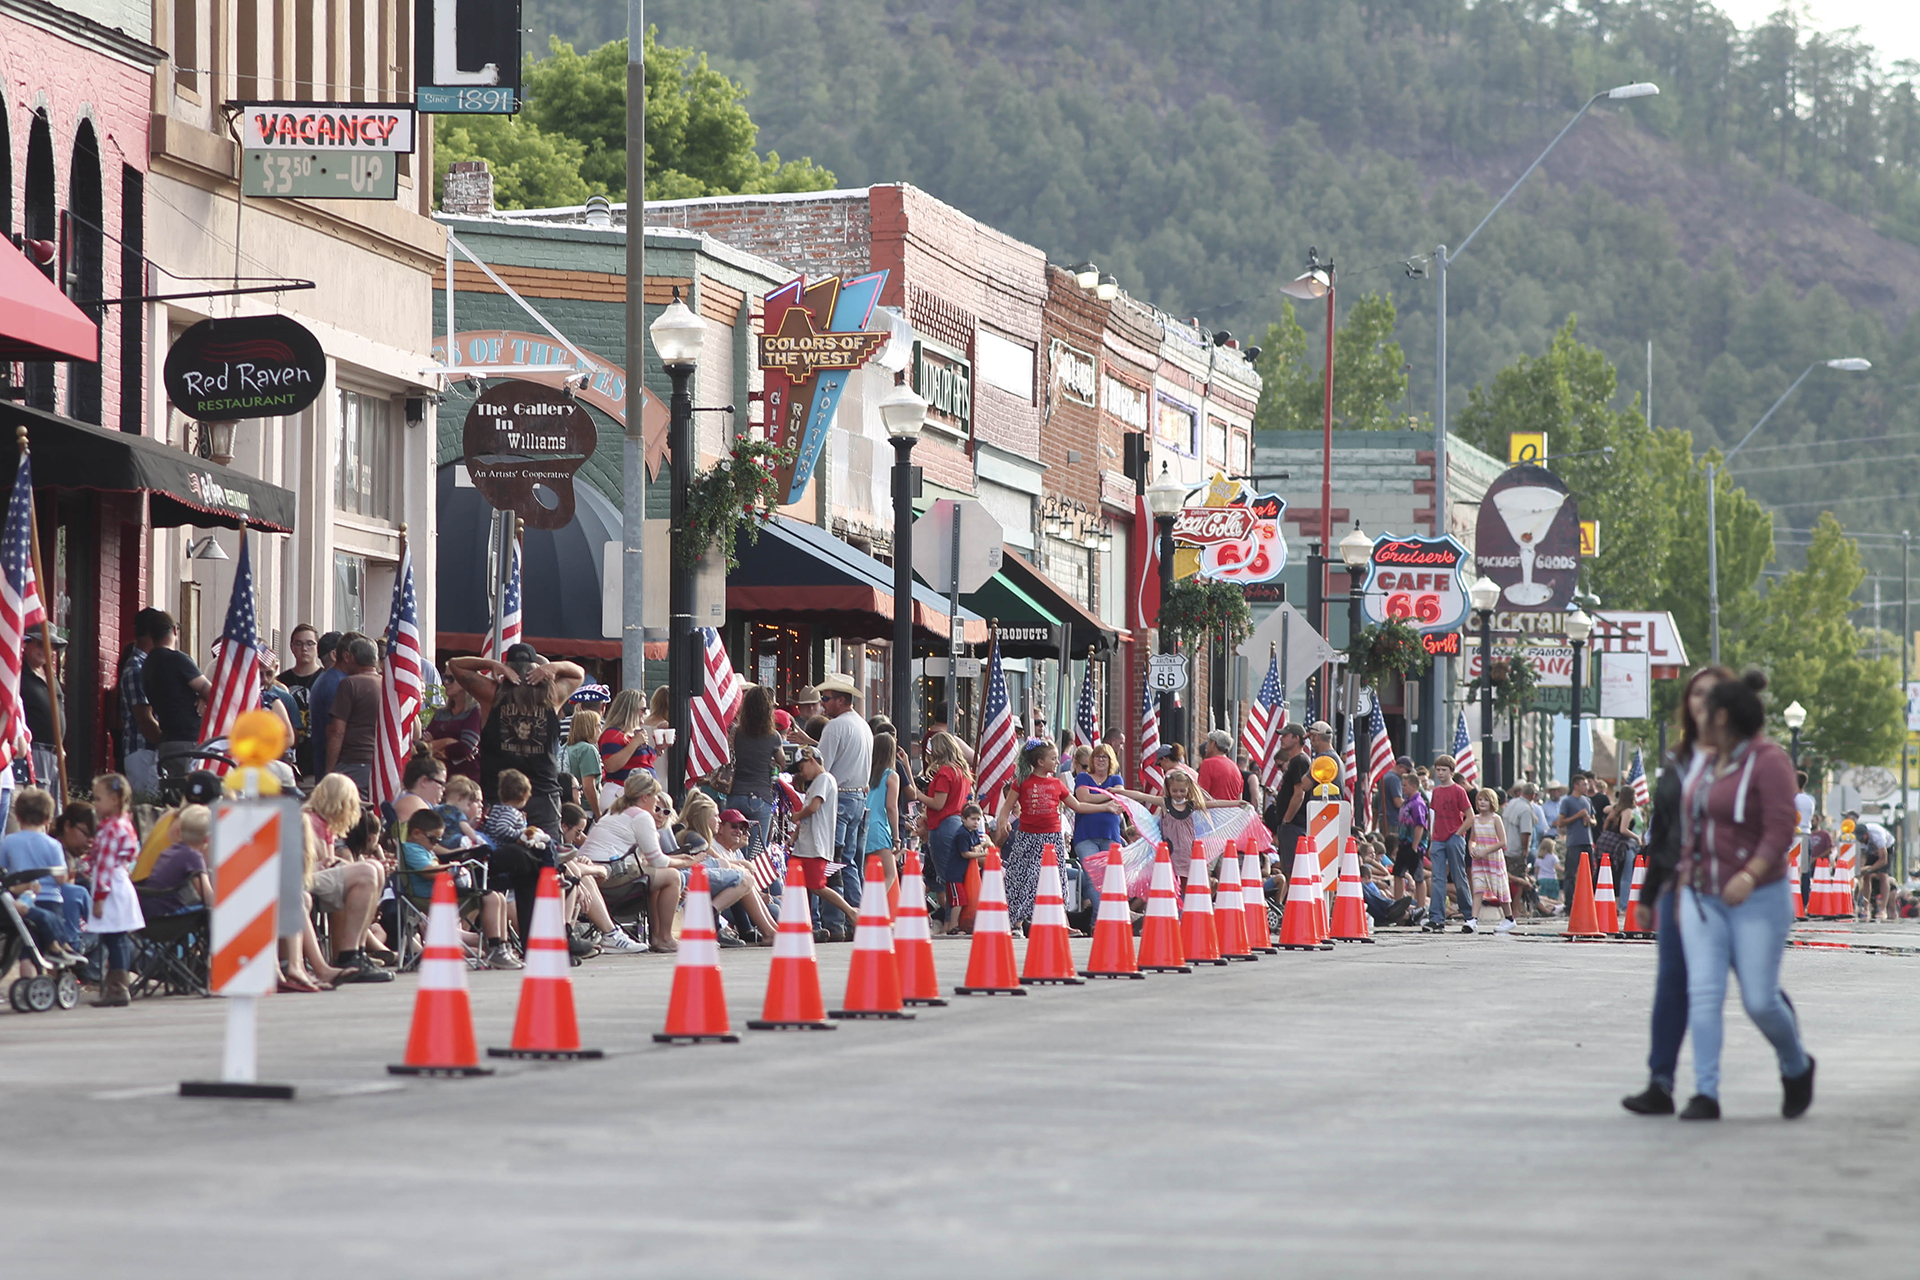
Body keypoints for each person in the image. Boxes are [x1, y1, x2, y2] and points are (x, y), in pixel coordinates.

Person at [1671, 668, 1814, 1121]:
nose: (1699, 717)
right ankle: (1705, 1092)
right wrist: (1680, 883)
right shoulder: (1704, 760)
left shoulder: (1769, 760)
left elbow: (1780, 827)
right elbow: (1692, 825)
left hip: (1759, 897)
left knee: (1759, 999)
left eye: (1708, 711)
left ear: (1724, 716)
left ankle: (1796, 1065)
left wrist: (1750, 875)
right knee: (1705, 992)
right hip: (1703, 896)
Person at [1621, 663, 1733, 1116]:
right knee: (1672, 983)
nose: (1701, 702)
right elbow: (1664, 831)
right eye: (1695, 693)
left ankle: (1794, 1061)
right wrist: (1649, 897)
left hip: (1732, 891)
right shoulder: (1678, 760)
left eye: (1712, 694)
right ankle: (1660, 1083)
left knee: (1759, 992)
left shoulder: (1747, 757)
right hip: (1676, 886)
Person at [448, 643, 584, 837]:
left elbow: (455, 664)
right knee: (545, 855)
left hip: (502, 793)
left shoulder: (491, 693)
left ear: (508, 667)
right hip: (538, 794)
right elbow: (578, 673)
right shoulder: (552, 695)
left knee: (500, 853)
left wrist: (492, 665)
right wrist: (553, 667)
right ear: (535, 668)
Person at [995, 737, 1119, 927]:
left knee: (1056, 880)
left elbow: (1078, 805)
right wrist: (1003, 821)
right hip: (1028, 838)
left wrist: (1106, 807)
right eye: (1053, 758)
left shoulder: (1057, 784)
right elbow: (1007, 806)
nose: (1057, 762)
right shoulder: (1022, 782)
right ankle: (1016, 922)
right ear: (1040, 762)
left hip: (1052, 839)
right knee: (1020, 878)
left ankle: (1062, 922)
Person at [574, 772, 684, 953]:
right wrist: (686, 861)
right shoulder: (641, 816)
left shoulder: (613, 812)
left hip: (593, 874)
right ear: (645, 797)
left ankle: (659, 937)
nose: (657, 800)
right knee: (672, 876)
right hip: (608, 878)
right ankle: (663, 937)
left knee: (657, 878)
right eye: (655, 796)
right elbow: (658, 861)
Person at [814, 672, 873, 936]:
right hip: (857, 798)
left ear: (840, 700)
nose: (822, 703)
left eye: (825, 698)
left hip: (837, 799)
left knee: (831, 862)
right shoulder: (863, 726)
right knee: (848, 862)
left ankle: (834, 921)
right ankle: (856, 915)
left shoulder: (835, 727)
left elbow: (820, 768)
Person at [83, 773, 143, 1007]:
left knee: (114, 937)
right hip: (119, 882)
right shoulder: (124, 824)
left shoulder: (110, 829)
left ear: (115, 800)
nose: (95, 804)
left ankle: (118, 987)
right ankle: (116, 984)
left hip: (110, 887)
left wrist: (99, 897)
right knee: (116, 937)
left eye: (99, 799)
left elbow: (106, 865)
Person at [789, 745, 859, 935]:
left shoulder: (824, 779)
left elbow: (813, 808)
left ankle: (851, 911)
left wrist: (797, 815)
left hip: (816, 845)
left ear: (811, 760)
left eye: (802, 768)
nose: (801, 774)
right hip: (805, 844)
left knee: (817, 886)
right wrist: (795, 835)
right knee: (797, 883)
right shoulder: (817, 783)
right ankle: (804, 922)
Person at [0, 786, 87, 934]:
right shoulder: (54, 845)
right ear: (48, 819)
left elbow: (2, 871)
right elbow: (60, 879)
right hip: (51, 900)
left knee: (25, 941)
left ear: (18, 816)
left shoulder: (8, 841)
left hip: (20, 901)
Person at [725, 685, 784, 855]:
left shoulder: (736, 733)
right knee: (757, 852)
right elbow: (782, 761)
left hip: (735, 793)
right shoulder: (773, 737)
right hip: (760, 796)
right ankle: (754, 880)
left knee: (734, 849)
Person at [119, 607, 170, 796]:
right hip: (142, 750)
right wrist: (167, 745)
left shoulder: (148, 665)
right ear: (152, 634)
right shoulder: (138, 668)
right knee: (146, 809)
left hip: (151, 751)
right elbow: (144, 719)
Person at [323, 636, 382, 797]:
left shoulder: (349, 684)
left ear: (352, 658)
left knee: (343, 814)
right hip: (380, 764)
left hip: (352, 763)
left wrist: (330, 770)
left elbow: (337, 731)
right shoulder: (386, 686)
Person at [1423, 754, 1474, 933]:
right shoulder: (1436, 791)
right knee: (1437, 878)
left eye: (1444, 770)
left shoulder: (1459, 790)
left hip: (1454, 837)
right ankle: (1436, 918)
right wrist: (1431, 837)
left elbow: (1470, 816)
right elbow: (1433, 815)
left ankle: (1469, 916)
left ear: (1452, 771)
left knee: (1459, 876)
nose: (1440, 773)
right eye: (1438, 770)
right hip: (1438, 838)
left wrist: (1458, 833)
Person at [140, 803, 214, 917]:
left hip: (149, 909)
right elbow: (206, 895)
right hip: (167, 915)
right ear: (207, 839)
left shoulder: (170, 850)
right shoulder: (193, 856)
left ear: (178, 832)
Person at [1071, 743, 1128, 887]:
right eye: (1097, 756)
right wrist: (1108, 796)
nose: (1101, 760)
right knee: (1093, 877)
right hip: (1086, 836)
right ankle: (1100, 910)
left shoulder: (1116, 779)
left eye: (1105, 757)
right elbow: (1084, 798)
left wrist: (1102, 795)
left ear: (1111, 761)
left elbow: (1119, 795)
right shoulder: (1083, 777)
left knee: (1111, 879)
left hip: (1110, 836)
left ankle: (1106, 910)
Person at [20, 629, 65, 798]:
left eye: (51, 646)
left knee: (54, 812)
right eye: (40, 644)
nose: (45, 650)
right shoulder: (19, 675)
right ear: (27, 644)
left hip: (55, 753)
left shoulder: (51, 676)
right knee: (38, 808)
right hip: (34, 750)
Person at [1469, 788, 1516, 932]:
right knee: (1478, 888)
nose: (1482, 802)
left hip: (1494, 859)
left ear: (1492, 802)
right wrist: (1472, 847)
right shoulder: (1475, 820)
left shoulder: (1496, 819)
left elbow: (1503, 842)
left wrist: (1486, 851)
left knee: (1500, 888)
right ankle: (1473, 920)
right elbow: (1472, 838)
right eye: (1480, 800)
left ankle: (1509, 918)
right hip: (1479, 860)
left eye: (1486, 800)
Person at [596, 688, 652, 810]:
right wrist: (635, 743)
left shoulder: (634, 734)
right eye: (643, 709)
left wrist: (658, 749)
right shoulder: (612, 734)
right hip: (620, 795)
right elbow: (611, 765)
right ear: (630, 710)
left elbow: (641, 763)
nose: (645, 713)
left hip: (636, 795)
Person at [863, 729, 903, 891]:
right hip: (879, 827)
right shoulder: (891, 775)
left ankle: (861, 905)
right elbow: (891, 807)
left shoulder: (866, 772)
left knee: (865, 874)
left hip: (862, 824)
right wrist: (896, 837)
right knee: (889, 874)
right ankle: (871, 906)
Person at [425, 677, 484, 784]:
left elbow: (465, 748)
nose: (446, 682)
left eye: (451, 679)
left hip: (464, 783)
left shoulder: (475, 712)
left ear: (465, 683)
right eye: (445, 678)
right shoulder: (441, 712)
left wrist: (434, 748)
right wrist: (447, 741)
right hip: (436, 779)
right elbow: (423, 747)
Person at [1390, 756, 1428, 915]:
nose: (1403, 788)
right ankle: (1398, 903)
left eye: (1405, 785)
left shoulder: (1418, 803)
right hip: (1404, 843)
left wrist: (1415, 845)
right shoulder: (1407, 802)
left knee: (1418, 875)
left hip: (1414, 844)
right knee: (1398, 872)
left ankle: (1421, 907)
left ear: (1413, 786)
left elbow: (1420, 825)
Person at [1555, 773, 1596, 887]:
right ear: (1576, 786)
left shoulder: (1587, 801)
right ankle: (1569, 902)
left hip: (1587, 841)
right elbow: (1561, 822)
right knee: (1571, 873)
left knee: (1590, 872)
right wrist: (1577, 815)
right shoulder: (1567, 801)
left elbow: (1594, 821)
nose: (1587, 787)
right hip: (1574, 842)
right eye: (1584, 785)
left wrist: (1590, 820)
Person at [563, 709, 605, 819]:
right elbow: (588, 786)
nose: (601, 729)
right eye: (598, 725)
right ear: (589, 727)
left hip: (567, 807)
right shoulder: (587, 750)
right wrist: (598, 814)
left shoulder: (566, 747)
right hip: (586, 810)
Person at [1195, 729, 1243, 802]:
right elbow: (1239, 798)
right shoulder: (1235, 767)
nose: (1206, 746)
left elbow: (1202, 796)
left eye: (1208, 742)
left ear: (1213, 743)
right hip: (1233, 811)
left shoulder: (1208, 764)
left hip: (1213, 810)